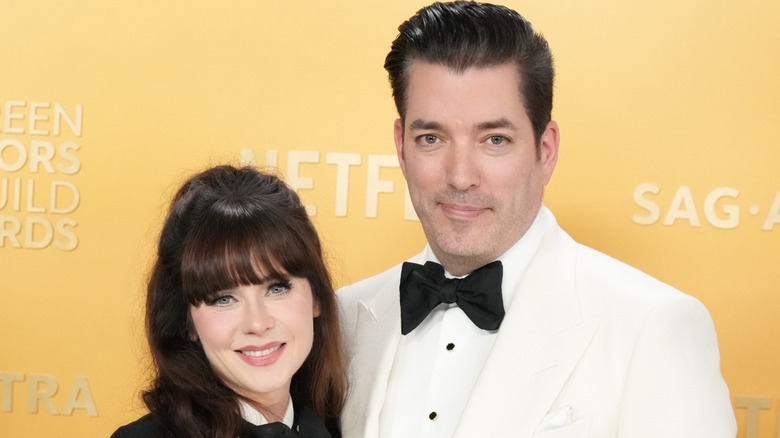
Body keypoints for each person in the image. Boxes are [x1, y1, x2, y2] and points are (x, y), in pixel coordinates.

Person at [337, 2, 736, 437]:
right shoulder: (344, 319)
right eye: (431, 138)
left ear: (546, 151)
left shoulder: (652, 324)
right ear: (401, 147)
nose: (461, 176)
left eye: (495, 139)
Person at [112, 165, 345, 438]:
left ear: (317, 296)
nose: (257, 323)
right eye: (223, 299)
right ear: (188, 322)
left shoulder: (352, 428)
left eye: (277, 288)